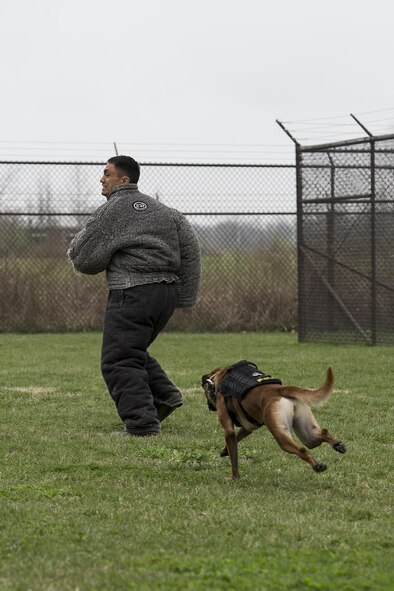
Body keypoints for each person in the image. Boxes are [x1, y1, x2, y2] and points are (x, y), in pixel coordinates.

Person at [68, 155, 201, 437]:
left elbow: (85, 259)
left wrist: (75, 252)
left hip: (133, 292)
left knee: (119, 359)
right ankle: (165, 396)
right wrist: (185, 295)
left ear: (123, 180)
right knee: (131, 350)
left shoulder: (114, 210)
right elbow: (190, 252)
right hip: (165, 295)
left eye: (107, 173)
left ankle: (142, 424)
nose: (101, 178)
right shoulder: (167, 212)